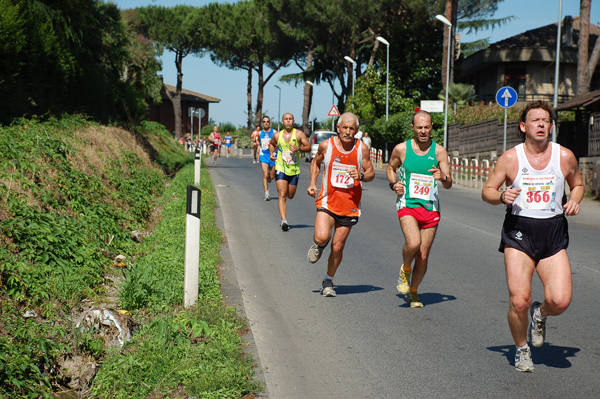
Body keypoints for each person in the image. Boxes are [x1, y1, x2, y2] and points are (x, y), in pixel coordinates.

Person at [481, 100, 583, 373]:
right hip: (519, 232)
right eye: (535, 120)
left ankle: (540, 314)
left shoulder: (565, 156)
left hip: (552, 232)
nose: (541, 124)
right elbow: (487, 190)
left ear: (550, 126)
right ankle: (521, 349)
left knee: (560, 300)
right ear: (523, 126)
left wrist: (574, 199)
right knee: (518, 300)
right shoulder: (511, 158)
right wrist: (502, 195)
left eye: (545, 120)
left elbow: (578, 184)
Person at [386, 110, 452, 308]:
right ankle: (405, 269)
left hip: (431, 207)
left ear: (431, 127)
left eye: (427, 127)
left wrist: (443, 177)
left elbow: (449, 183)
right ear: (413, 128)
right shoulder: (401, 149)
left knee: (423, 256)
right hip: (407, 203)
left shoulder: (439, 151)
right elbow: (390, 168)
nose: (423, 131)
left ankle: (413, 292)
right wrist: (393, 184)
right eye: (419, 127)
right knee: (413, 243)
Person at [306, 112, 374, 297]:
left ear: (357, 130)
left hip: (350, 205)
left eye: (352, 128)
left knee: (337, 246)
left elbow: (370, 173)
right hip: (328, 200)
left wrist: (360, 176)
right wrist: (313, 183)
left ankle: (328, 281)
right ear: (338, 128)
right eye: (345, 127)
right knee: (321, 237)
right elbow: (316, 162)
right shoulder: (326, 145)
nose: (348, 131)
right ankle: (319, 246)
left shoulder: (362, 149)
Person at [269, 113, 310, 231]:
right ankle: (284, 221)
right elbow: (272, 144)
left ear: (293, 121)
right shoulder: (277, 135)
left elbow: (308, 146)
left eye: (290, 119)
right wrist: (272, 153)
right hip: (281, 167)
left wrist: (298, 148)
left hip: (294, 169)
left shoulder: (299, 134)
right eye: (286, 119)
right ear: (282, 122)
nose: (288, 121)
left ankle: (285, 199)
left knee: (290, 195)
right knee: (281, 194)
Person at [258, 117, 277, 201]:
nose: (266, 123)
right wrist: (259, 148)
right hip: (263, 155)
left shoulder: (274, 132)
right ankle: (266, 193)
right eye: (264, 121)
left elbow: (278, 142)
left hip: (272, 155)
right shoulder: (259, 133)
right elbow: (259, 142)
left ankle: (270, 175)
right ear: (262, 123)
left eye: (267, 121)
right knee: (265, 175)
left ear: (270, 123)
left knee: (272, 177)